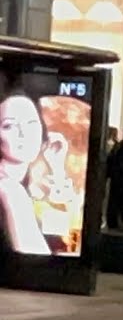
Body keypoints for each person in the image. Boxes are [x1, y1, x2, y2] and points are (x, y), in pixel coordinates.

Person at [0, 93, 58, 255]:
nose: (23, 133)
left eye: (31, 123)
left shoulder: (33, 181)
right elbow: (40, 266)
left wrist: (56, 165)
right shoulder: (11, 190)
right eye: (9, 126)